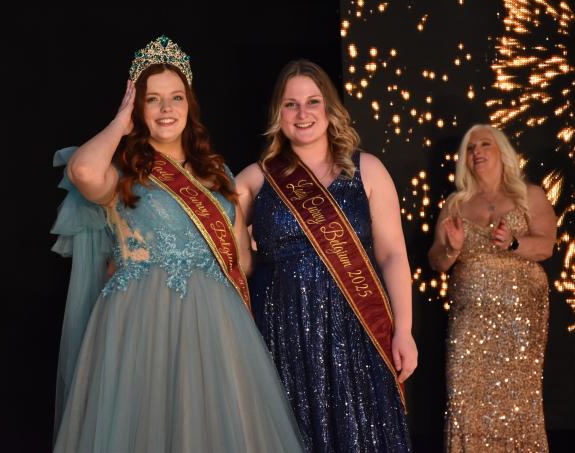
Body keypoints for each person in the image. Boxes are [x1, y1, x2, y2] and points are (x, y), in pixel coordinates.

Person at [50, 35, 303, 452]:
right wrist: (121, 122)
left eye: (176, 98)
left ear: (190, 104)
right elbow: (81, 171)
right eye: (152, 100)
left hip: (214, 326)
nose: (166, 109)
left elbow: (239, 261)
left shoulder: (218, 172)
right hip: (139, 322)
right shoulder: (122, 171)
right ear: (138, 108)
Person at [236, 59, 416, 452]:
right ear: (278, 113)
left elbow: (392, 255)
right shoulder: (254, 179)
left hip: (357, 332)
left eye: (312, 102)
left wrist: (403, 330)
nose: (302, 114)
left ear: (330, 109)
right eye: (291, 104)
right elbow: (234, 261)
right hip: (283, 333)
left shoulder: (368, 170)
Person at [428, 124, 556, 452]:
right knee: (465, 399)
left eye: (485, 144)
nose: (477, 152)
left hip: (519, 317)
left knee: (517, 399)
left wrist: (514, 243)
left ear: (502, 152)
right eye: (470, 148)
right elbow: (437, 261)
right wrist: (452, 249)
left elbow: (546, 246)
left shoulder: (528, 195)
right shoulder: (456, 204)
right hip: (470, 319)